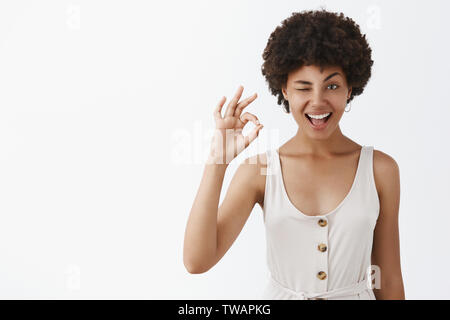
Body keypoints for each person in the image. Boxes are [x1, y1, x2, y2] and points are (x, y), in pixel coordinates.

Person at [183, 9, 405, 300]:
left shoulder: (380, 170)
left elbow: (387, 278)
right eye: (303, 87)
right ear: (284, 89)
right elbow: (196, 261)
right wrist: (217, 163)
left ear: (350, 88)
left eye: (332, 86)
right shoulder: (259, 171)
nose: (317, 101)